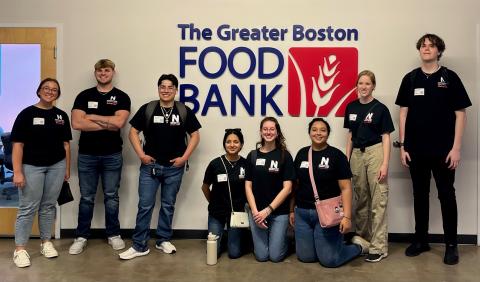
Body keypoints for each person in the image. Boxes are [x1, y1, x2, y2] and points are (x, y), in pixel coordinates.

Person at [395, 34, 471, 265]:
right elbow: (403, 114)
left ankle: (451, 245)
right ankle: (421, 240)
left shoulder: (450, 77)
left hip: (444, 151)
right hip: (416, 150)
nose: (427, 49)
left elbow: (461, 114)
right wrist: (403, 146)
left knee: (447, 196)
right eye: (423, 46)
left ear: (439, 51)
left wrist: (456, 148)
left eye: (432, 46)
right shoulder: (410, 79)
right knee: (420, 196)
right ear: (419, 50)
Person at [119, 74, 201, 260]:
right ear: (158, 89)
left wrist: (184, 158)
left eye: (170, 87)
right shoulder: (148, 109)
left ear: (175, 90)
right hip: (150, 167)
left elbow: (195, 135)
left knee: (167, 205)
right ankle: (139, 245)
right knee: (145, 206)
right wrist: (141, 155)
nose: (166, 90)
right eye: (162, 87)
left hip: (174, 168)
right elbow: (132, 132)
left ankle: (163, 240)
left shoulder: (183, 110)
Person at [69, 59, 131, 255]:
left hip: (112, 155)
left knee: (111, 197)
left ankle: (113, 235)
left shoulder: (122, 97)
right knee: (86, 198)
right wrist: (107, 122)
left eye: (107, 70)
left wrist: (92, 116)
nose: (103, 73)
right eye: (100, 70)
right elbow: (77, 123)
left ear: (113, 72)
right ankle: (81, 237)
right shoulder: (83, 96)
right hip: (87, 155)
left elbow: (119, 124)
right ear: (95, 72)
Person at [290, 118, 368, 268]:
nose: (318, 133)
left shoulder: (337, 156)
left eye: (322, 130)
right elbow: (296, 185)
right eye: (314, 129)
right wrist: (291, 210)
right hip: (303, 213)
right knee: (306, 257)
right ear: (309, 132)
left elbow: (346, 188)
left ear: (328, 133)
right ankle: (335, 243)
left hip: (327, 214)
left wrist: (347, 217)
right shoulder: (301, 154)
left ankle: (357, 247)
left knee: (329, 261)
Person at [11, 78, 72, 267]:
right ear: (39, 91)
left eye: (54, 90)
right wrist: (17, 172)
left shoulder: (61, 116)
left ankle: (46, 242)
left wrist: (67, 169)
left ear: (58, 94)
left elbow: (66, 145)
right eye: (46, 88)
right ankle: (20, 249)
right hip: (31, 167)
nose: (50, 91)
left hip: (57, 166)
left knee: (48, 206)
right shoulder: (26, 114)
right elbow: (18, 145)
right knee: (28, 208)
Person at [343, 70, 395, 262]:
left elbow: (386, 137)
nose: (363, 87)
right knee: (361, 199)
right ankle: (364, 242)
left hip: (375, 152)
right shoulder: (351, 107)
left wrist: (385, 163)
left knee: (378, 200)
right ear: (356, 86)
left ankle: (379, 247)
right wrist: (346, 161)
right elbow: (350, 136)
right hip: (356, 154)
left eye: (367, 83)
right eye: (360, 83)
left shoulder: (380, 108)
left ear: (373, 86)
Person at [245, 117, 294, 262]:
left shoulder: (285, 155)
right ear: (261, 132)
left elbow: (288, 188)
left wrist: (268, 210)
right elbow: (248, 186)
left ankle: (286, 240)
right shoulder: (252, 155)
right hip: (257, 213)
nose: (268, 132)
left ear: (277, 132)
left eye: (272, 129)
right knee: (261, 256)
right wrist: (255, 212)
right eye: (265, 129)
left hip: (278, 213)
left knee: (275, 256)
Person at [201, 128, 247, 259]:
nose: (232, 145)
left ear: (241, 144)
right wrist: (213, 202)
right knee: (212, 253)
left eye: (236, 142)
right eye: (228, 142)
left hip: (236, 213)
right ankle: (222, 237)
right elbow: (204, 187)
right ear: (224, 144)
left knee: (234, 254)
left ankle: (236, 238)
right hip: (217, 213)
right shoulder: (215, 164)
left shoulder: (245, 164)